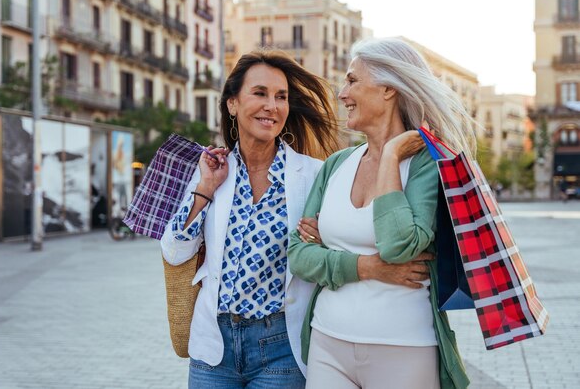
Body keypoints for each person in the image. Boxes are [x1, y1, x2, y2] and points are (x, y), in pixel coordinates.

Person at [160, 49, 433, 389]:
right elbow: (174, 252)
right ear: (232, 104)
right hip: (214, 344)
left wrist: (336, 249)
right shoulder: (214, 171)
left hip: (281, 349)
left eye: (281, 97)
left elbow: (321, 249)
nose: (271, 106)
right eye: (259, 94)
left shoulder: (313, 175)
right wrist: (203, 190)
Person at [289, 38, 475, 389]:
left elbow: (397, 246)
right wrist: (366, 267)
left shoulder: (426, 165)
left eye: (352, 80)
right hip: (327, 342)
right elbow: (298, 256)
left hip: (404, 348)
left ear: (388, 89)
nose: (342, 94)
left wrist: (391, 155)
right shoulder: (335, 166)